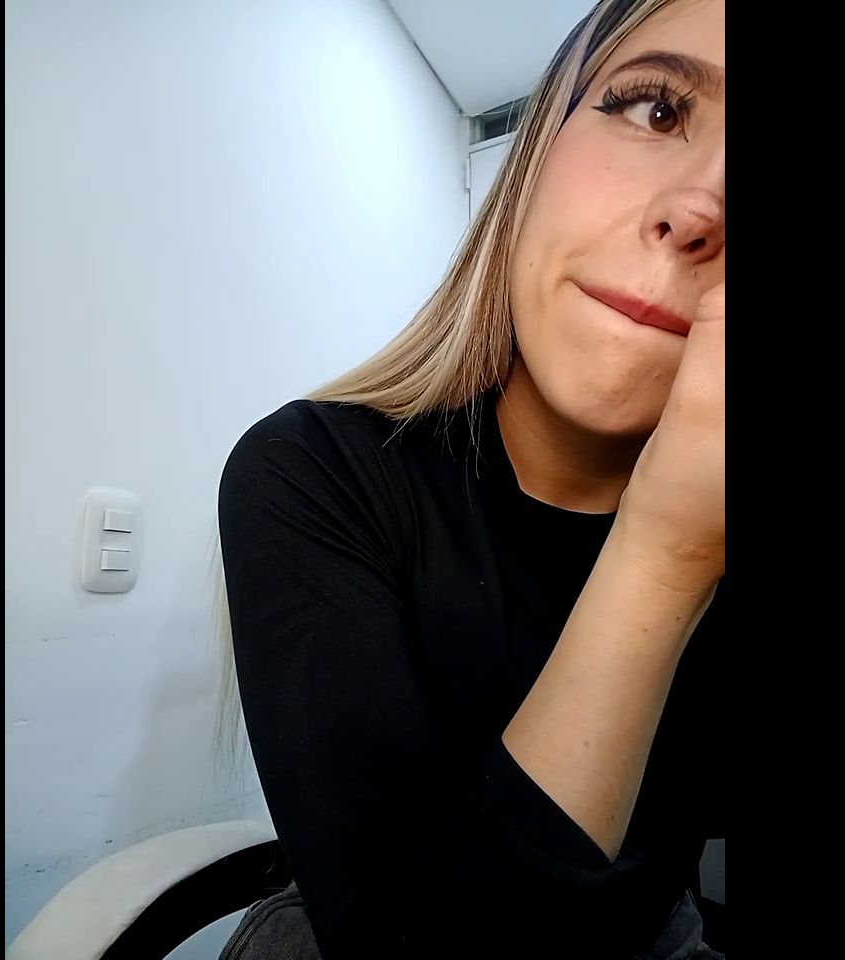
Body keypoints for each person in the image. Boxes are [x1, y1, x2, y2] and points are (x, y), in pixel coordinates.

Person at [216, 0, 725, 956]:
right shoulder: (315, 470)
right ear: (535, 157)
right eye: (656, 109)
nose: (700, 210)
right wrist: (666, 558)